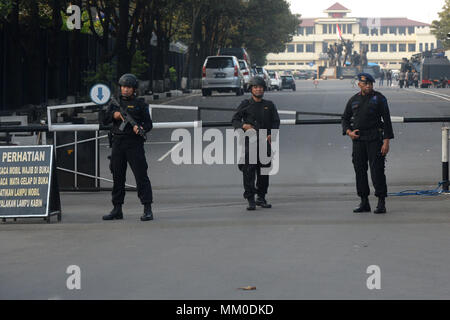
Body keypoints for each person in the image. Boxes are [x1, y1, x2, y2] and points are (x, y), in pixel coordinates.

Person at [102, 73, 154, 221]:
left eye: (128, 87)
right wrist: (115, 115)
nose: (125, 90)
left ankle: (147, 208)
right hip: (118, 144)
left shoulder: (140, 104)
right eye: (123, 87)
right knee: (117, 177)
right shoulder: (114, 104)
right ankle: (117, 209)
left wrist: (141, 128)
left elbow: (149, 124)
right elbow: (104, 120)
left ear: (134, 89)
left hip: (134, 144)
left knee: (141, 176)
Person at [342, 73, 394, 214]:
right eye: (366, 84)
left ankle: (381, 202)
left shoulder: (379, 99)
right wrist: (349, 132)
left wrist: (386, 142)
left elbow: (387, 122)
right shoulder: (353, 100)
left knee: (377, 170)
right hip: (358, 140)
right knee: (360, 170)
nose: (369, 86)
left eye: (371, 84)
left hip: (375, 139)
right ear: (359, 84)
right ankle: (364, 202)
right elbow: (345, 119)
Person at [231, 76, 280, 210]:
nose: (258, 89)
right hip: (249, 142)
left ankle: (261, 197)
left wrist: (272, 134)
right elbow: (234, 120)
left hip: (265, 141)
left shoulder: (269, 105)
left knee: (264, 172)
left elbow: (276, 121)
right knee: (249, 171)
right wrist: (244, 126)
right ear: (251, 89)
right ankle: (251, 199)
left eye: (260, 87)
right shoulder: (245, 104)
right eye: (255, 87)